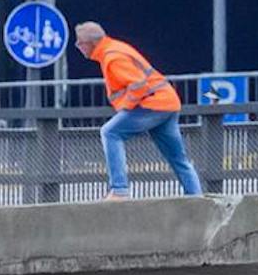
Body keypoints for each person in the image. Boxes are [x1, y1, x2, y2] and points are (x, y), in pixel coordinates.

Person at [74, 22, 203, 200]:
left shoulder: (113, 57)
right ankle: (196, 198)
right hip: (168, 102)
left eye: (79, 42)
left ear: (90, 44)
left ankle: (119, 190)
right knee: (178, 158)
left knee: (110, 132)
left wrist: (125, 107)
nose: (78, 47)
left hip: (153, 103)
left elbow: (138, 85)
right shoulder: (115, 48)